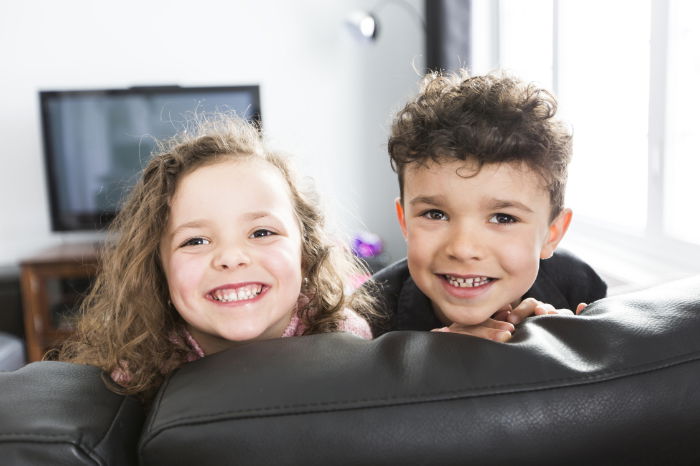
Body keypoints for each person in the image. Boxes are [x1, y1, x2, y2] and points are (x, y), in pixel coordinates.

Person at [54, 115, 375, 402]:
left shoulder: (346, 341)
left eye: (261, 233)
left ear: (305, 253)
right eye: (195, 240)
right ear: (158, 269)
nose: (231, 257)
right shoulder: (136, 369)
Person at [367, 69, 607, 340]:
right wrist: (431, 365)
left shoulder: (578, 285)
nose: (463, 249)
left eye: (503, 218)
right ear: (405, 221)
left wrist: (572, 354)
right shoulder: (366, 320)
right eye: (435, 214)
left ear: (552, 233)